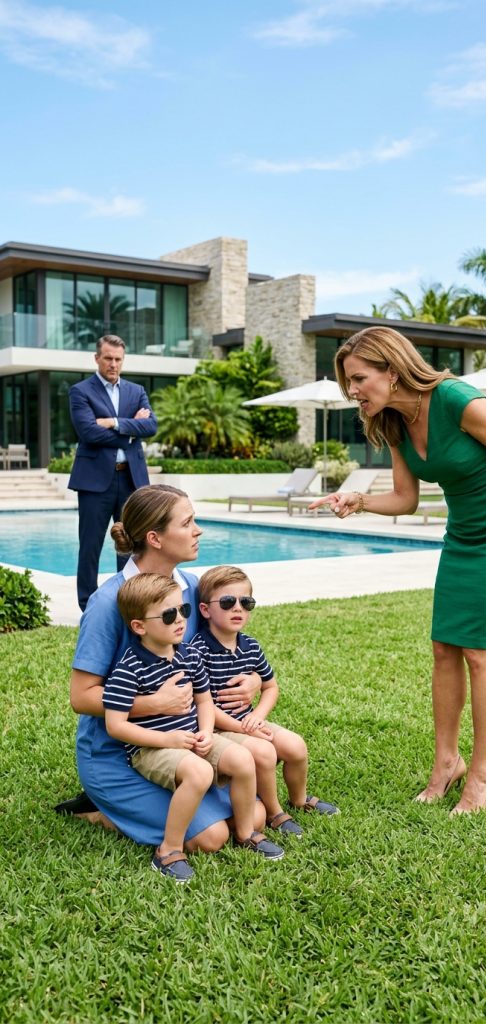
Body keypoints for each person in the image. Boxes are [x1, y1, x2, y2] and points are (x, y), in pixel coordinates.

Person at [309, 326, 486, 815]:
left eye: (358, 379)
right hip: (462, 537)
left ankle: (482, 772)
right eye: (348, 383)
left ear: (391, 370)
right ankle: (447, 762)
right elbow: (406, 498)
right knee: (444, 648)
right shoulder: (392, 421)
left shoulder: (455, 399)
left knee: (479, 651)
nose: (352, 391)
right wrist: (358, 500)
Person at [60, 484, 269, 864]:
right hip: (120, 751)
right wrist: (154, 703)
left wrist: (254, 679)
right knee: (211, 837)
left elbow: (221, 647)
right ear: (155, 538)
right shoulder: (108, 603)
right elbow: (81, 696)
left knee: (255, 815)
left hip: (184, 743)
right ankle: (100, 809)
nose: (197, 530)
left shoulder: (192, 588)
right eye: (187, 523)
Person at [104, 572, 284, 876]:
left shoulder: (189, 655)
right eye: (168, 614)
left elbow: (204, 702)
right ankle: (168, 850)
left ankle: (246, 833)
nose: (179, 619)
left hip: (192, 737)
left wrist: (205, 731)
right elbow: (116, 726)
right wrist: (168, 740)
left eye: (183, 610)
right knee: (199, 772)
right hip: (151, 748)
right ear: (139, 626)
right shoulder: (128, 667)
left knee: (243, 758)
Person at [192, 565, 339, 837]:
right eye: (227, 602)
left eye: (246, 602)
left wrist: (257, 716)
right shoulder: (197, 650)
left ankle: (299, 799)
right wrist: (243, 727)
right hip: (218, 728)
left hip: (249, 721)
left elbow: (271, 687)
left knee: (295, 746)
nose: (238, 608)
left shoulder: (250, 646)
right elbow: (202, 704)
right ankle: (274, 812)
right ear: (205, 610)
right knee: (264, 752)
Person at [68, 334, 158, 611]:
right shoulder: (80, 391)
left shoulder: (136, 391)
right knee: (90, 545)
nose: (113, 364)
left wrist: (113, 422)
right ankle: (88, 606)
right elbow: (88, 432)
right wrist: (130, 431)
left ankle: (128, 601)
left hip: (131, 479)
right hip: (94, 482)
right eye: (108, 358)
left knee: (131, 543)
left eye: (118, 359)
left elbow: (151, 426)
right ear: (97, 358)